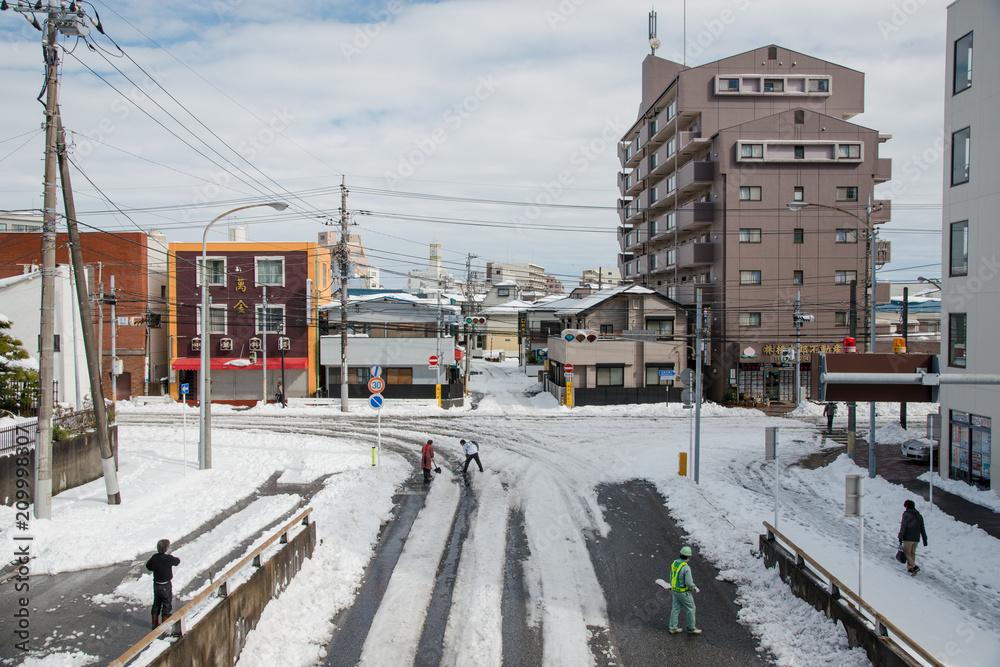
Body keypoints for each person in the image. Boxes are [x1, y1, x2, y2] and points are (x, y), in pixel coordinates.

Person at [145, 538, 181, 629]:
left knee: (156, 603)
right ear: (166, 548)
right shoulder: (168, 558)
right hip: (165, 585)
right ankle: (165, 626)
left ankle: (154, 624)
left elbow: (148, 566)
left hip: (156, 584)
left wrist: (156, 568)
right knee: (167, 604)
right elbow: (177, 561)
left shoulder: (154, 557)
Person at [668, 545, 701, 635]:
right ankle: (691, 628)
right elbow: (689, 582)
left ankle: (673, 627)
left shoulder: (674, 563)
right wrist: (694, 588)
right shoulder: (686, 567)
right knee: (691, 608)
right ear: (688, 556)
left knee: (675, 608)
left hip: (674, 590)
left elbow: (671, 576)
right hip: (683, 592)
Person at [897, 499, 928, 575]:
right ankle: (910, 569)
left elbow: (903, 527)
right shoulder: (919, 516)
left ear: (906, 506)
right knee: (912, 553)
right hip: (916, 539)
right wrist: (925, 539)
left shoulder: (906, 514)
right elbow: (922, 528)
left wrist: (900, 536)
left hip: (908, 538)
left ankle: (914, 567)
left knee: (906, 553)